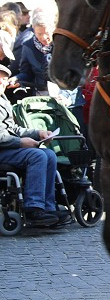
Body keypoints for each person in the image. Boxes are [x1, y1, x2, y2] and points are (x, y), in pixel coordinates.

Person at [0, 63, 62, 227]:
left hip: (8, 147)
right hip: (3, 150)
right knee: (37, 155)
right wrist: (20, 142)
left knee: (49, 154)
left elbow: (13, 128)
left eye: (4, 80)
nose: (2, 83)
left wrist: (37, 133)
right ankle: (33, 208)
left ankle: (48, 207)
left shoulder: (3, 100)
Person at [11, 9, 54, 98]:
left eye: (47, 33)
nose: (44, 37)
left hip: (66, 97)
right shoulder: (28, 46)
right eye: (39, 34)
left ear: (53, 29)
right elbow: (26, 72)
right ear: (33, 30)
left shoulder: (62, 45)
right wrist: (17, 78)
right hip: (41, 96)